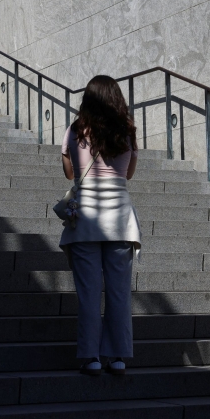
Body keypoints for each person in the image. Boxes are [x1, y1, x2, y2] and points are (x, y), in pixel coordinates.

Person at [60, 75, 141, 376]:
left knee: (89, 292)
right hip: (120, 218)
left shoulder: (76, 130)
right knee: (119, 291)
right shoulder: (128, 131)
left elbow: (70, 174)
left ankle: (91, 356)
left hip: (85, 220)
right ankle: (118, 356)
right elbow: (128, 174)